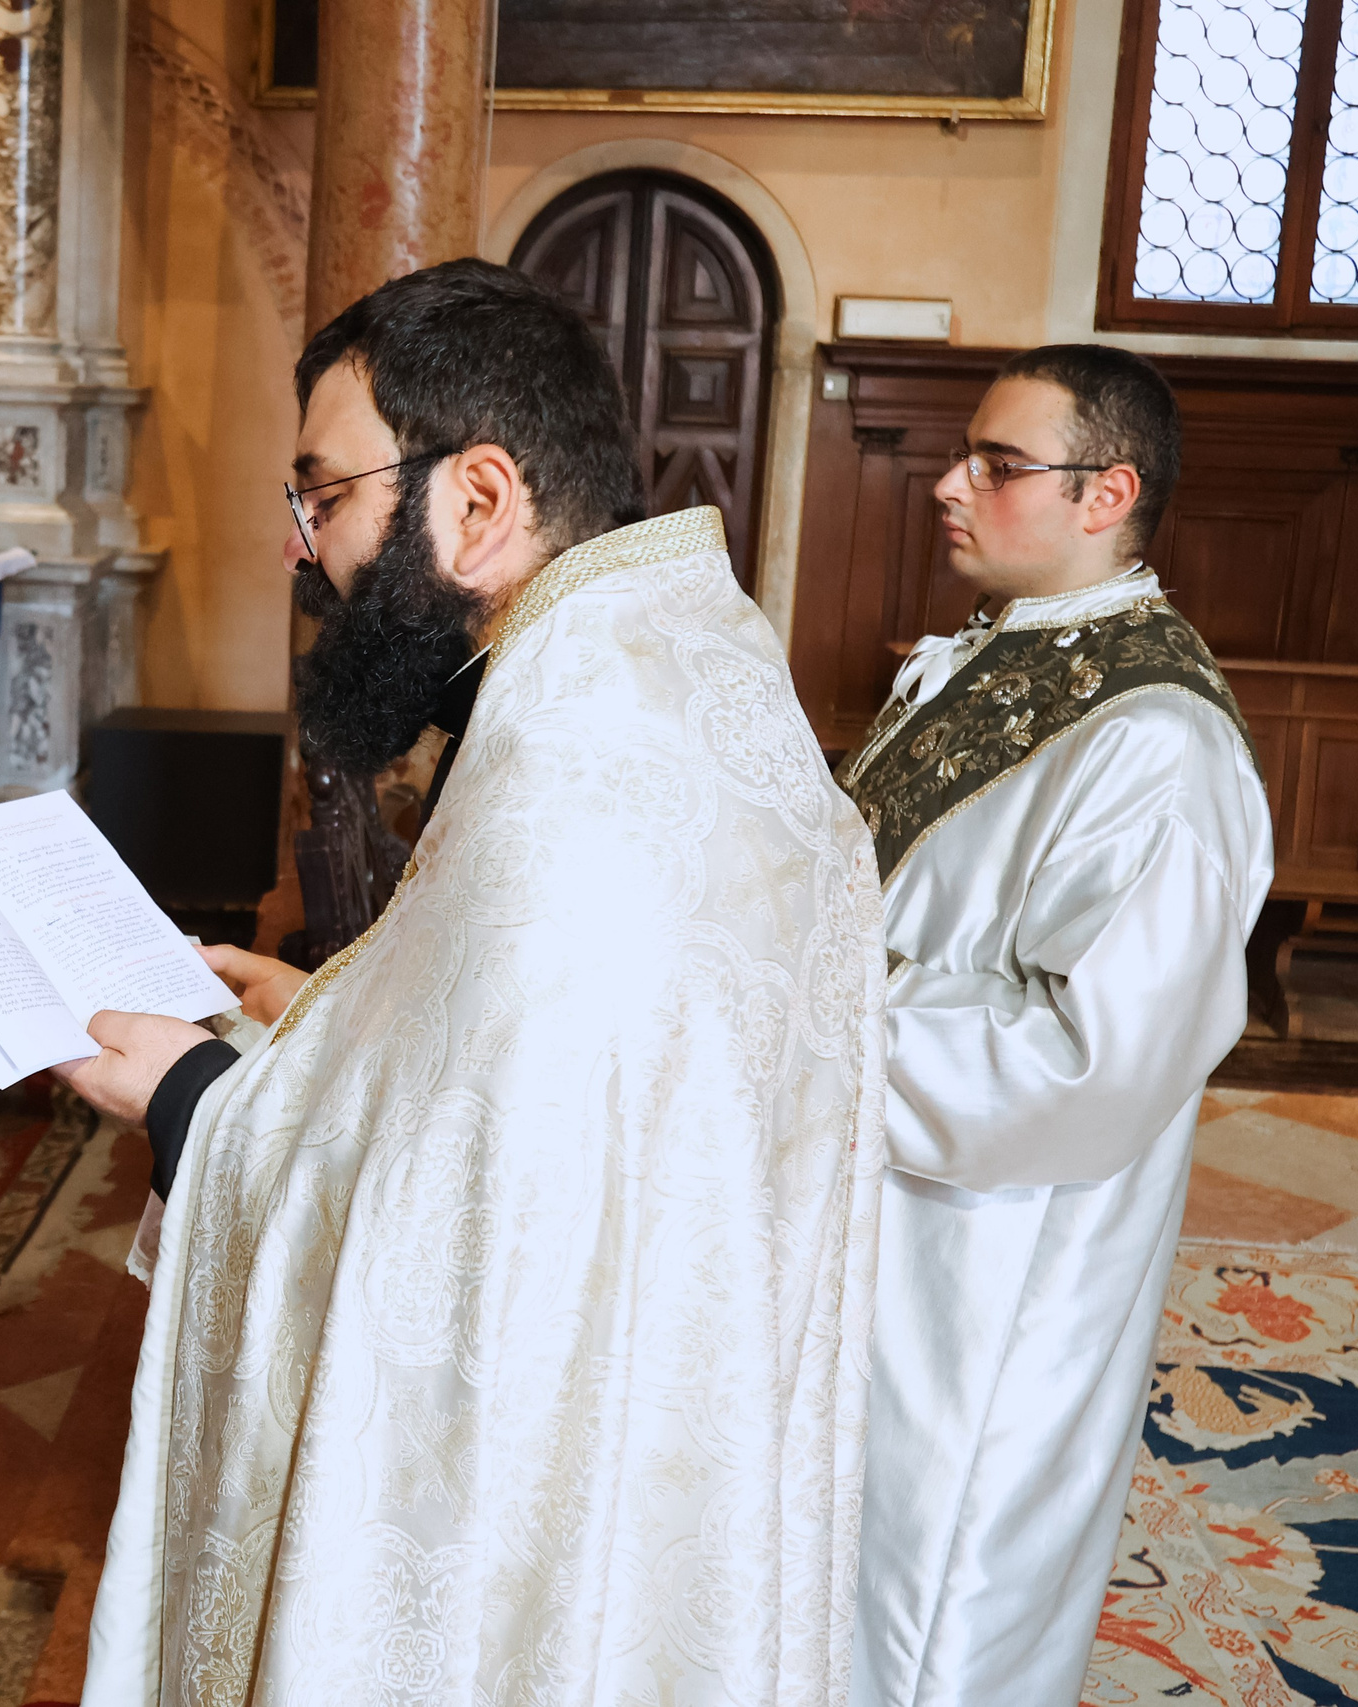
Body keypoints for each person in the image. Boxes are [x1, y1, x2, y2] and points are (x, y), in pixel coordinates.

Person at [70, 258, 888, 1701]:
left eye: (321, 495)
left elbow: (451, 1263)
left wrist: (191, 1092)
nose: (296, 547)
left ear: (479, 498)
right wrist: (315, 1006)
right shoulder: (672, 655)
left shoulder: (574, 769)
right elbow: (515, 1062)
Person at [836, 348, 1273, 1707]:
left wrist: (811, 1010)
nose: (948, 485)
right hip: (884, 1199)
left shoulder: (1158, 743)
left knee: (932, 1589)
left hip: (989, 1248)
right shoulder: (995, 656)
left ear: (1109, 493)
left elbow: (1086, 1062)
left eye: (997, 463)